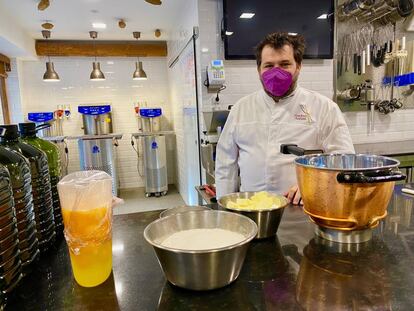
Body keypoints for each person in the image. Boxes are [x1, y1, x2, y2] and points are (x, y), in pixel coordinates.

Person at [215, 32, 355, 204]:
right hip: (251, 208)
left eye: (284, 64)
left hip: (303, 207)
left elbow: (345, 160)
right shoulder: (241, 109)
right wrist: (225, 207)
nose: (276, 72)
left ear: (298, 66)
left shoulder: (324, 108)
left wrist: (315, 185)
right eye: (268, 66)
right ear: (258, 69)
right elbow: (225, 164)